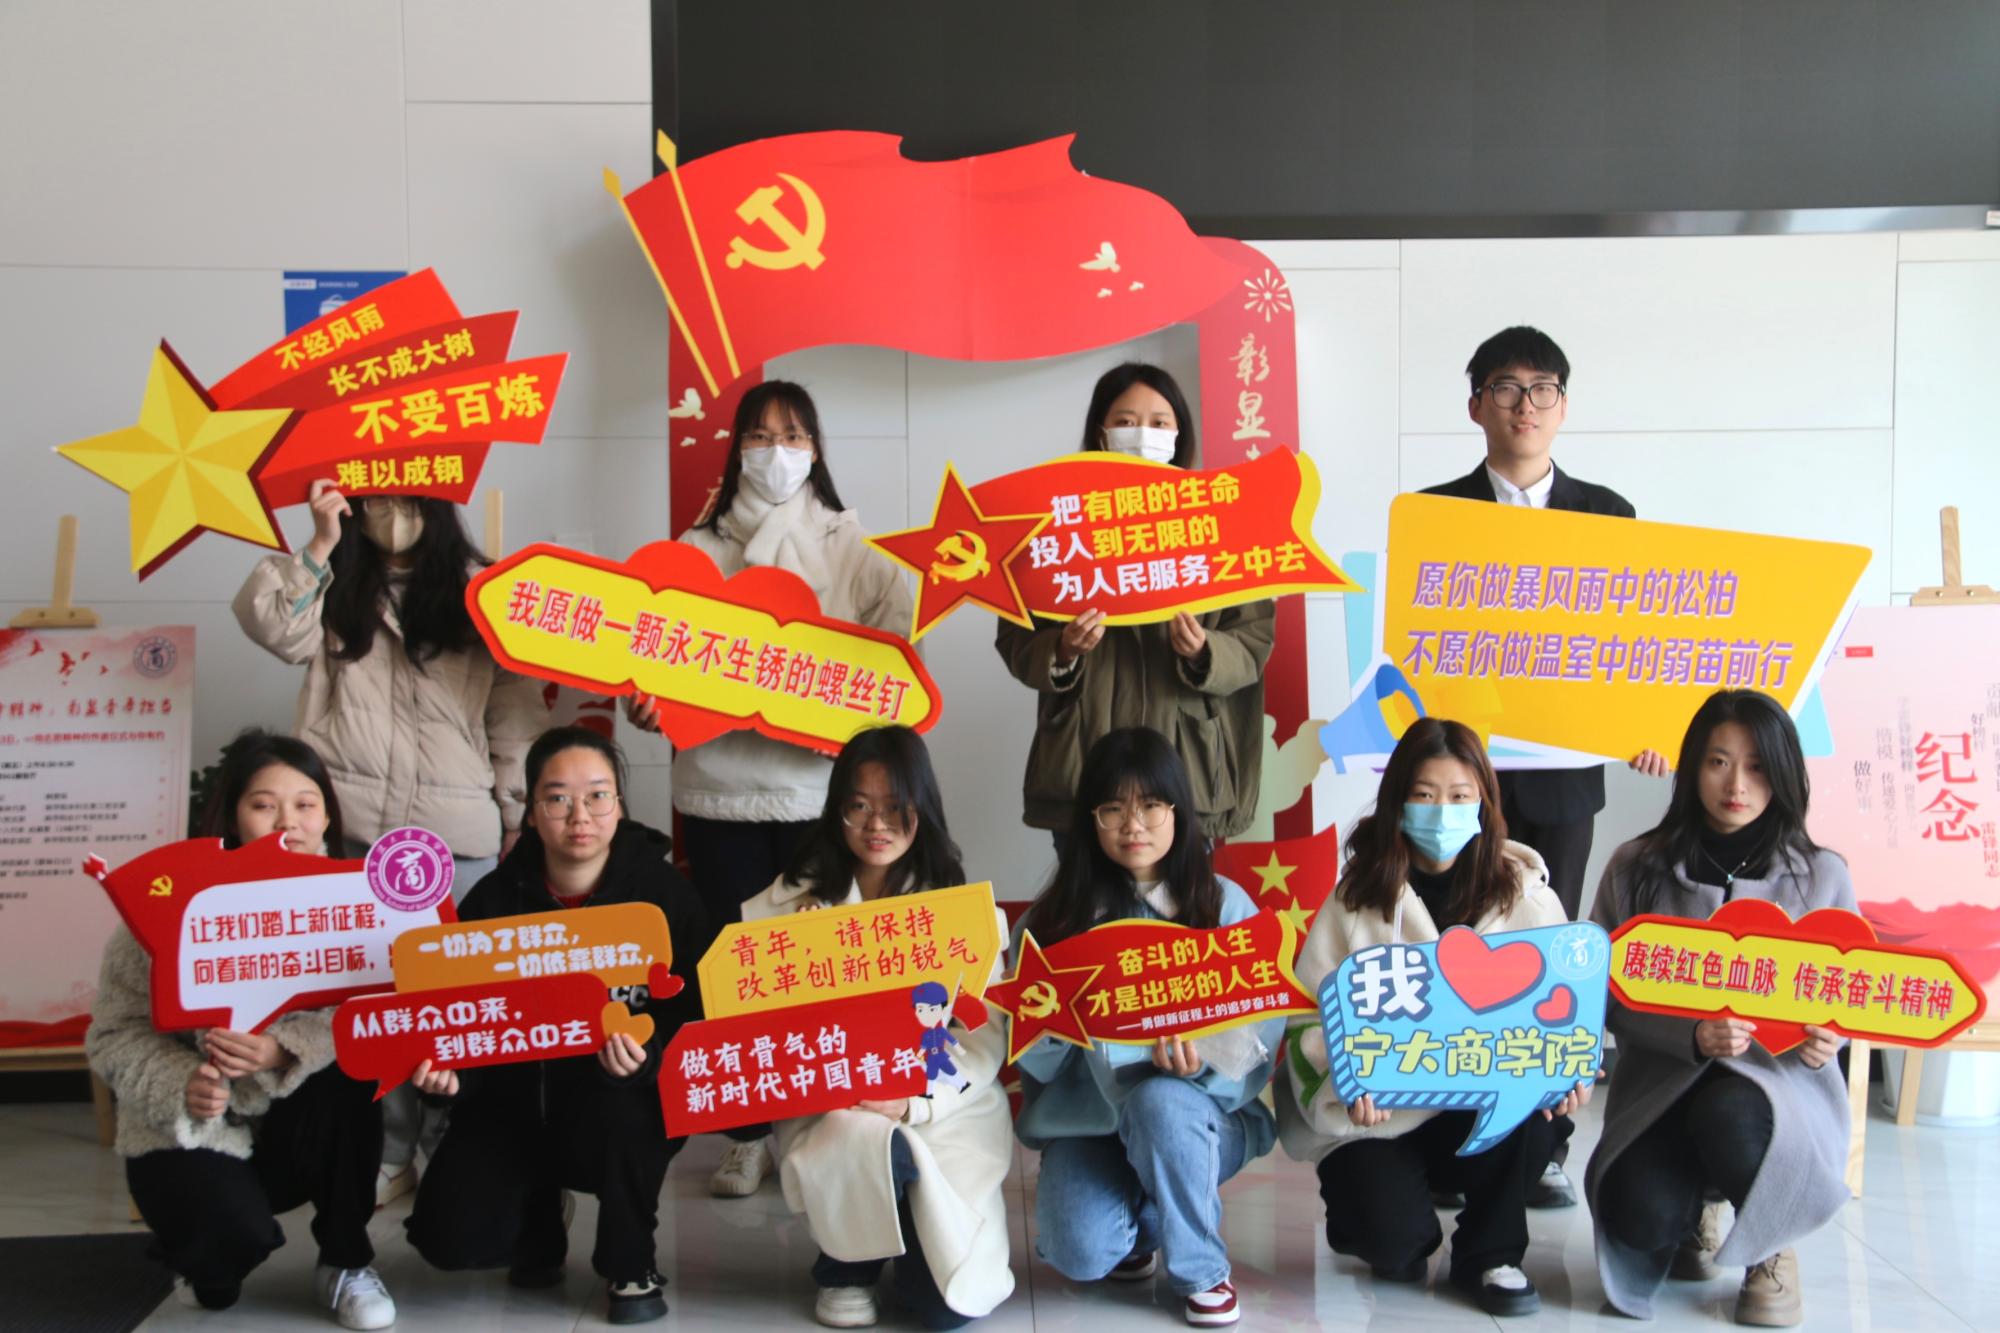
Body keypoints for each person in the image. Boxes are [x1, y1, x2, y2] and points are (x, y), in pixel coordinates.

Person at [627, 379, 914, 1198]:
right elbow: (648, 656)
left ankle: (822, 1121)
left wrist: (850, 714)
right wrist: (646, 705)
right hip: (719, 792)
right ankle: (748, 1133)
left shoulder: (854, 546)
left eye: (792, 436)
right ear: (736, 449)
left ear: (815, 450)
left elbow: (899, 651)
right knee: (733, 965)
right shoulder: (696, 546)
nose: (776, 452)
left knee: (824, 967)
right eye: (760, 436)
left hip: (821, 794)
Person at [234, 480, 547, 1202]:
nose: (393, 516)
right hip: (354, 827)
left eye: (409, 500)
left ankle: (456, 1147)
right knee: (370, 1000)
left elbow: (515, 712)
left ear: (437, 502)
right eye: (375, 500)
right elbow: (273, 627)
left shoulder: (482, 590)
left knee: (458, 999)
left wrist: (514, 814)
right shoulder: (332, 580)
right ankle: (391, 1148)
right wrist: (319, 542)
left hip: (455, 829)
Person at [1419, 326, 1641, 1208]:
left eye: (1542, 388)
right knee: (1449, 944)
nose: (1525, 405)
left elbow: (1635, 642)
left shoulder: (1609, 514)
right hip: (1459, 776)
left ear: (1563, 406)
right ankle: (1445, 1129)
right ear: (1476, 403)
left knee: (1548, 950)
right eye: (1506, 387)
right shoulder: (1433, 513)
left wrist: (1644, 727)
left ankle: (1542, 1139)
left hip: (1562, 774)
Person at [404, 727, 713, 1326]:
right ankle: (538, 1225)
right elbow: (455, 1021)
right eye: (557, 798)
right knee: (450, 1240)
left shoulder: (664, 896)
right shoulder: (492, 902)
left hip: (617, 1109)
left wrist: (648, 1060)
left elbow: (696, 1010)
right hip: (513, 1108)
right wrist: (449, 1079)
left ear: (619, 804)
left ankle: (630, 1262)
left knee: (627, 1113)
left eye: (597, 795)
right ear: (531, 810)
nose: (580, 816)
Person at [1275, 718, 1585, 1317]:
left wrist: (1567, 1071)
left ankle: (1491, 1255)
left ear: (1485, 804)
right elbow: (1309, 1017)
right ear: (1397, 802)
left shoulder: (1527, 898)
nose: (1442, 813)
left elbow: (1566, 1013)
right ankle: (1401, 1221)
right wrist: (1348, 1081)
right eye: (1424, 795)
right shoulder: (1354, 901)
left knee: (1524, 1105)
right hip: (1387, 1117)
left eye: (1460, 796)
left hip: (1487, 1116)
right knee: (1391, 1243)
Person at [86, 730, 395, 1329]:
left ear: (328, 816)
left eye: (305, 804)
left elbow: (370, 1015)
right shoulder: (169, 904)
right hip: (196, 1125)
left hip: (296, 1125)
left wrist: (284, 1050)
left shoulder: (356, 904)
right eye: (264, 805)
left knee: (351, 1069)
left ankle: (346, 1261)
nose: (287, 823)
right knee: (223, 1268)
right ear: (232, 815)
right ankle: (204, 1259)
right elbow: (113, 1033)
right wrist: (185, 1083)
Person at [1586, 690, 1854, 1327]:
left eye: (1757, 766)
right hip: (1661, 1088)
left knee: (1731, 1114)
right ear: (1691, 767)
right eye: (1718, 762)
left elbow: (1850, 992)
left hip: (1775, 1091)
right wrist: (1691, 1034)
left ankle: (1769, 1246)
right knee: (1637, 1215)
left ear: (1784, 773)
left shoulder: (1822, 874)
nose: (1737, 785)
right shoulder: (1636, 867)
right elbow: (1600, 994)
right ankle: (1689, 1215)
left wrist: (1830, 1038)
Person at [741, 726, 1013, 1329]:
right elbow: (759, 1035)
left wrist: (913, 1100)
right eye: (859, 806)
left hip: (942, 1108)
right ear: (836, 808)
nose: (876, 825)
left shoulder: (959, 910)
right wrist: (801, 962)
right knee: (862, 1141)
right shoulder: (786, 906)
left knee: (941, 1310)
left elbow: (980, 1041)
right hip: (836, 1106)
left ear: (922, 809)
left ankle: (911, 1237)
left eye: (895, 807)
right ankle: (846, 1267)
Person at [1013, 726, 1284, 1327]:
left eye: (1151, 805)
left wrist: (1205, 1065)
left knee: (1161, 1102)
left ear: (1178, 812)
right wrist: (1059, 1023)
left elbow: (1261, 1033)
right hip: (1090, 1125)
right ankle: (1145, 1224)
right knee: (1080, 1251)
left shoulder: (1225, 907)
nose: (1133, 825)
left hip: (1199, 1119)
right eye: (1113, 808)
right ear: (1090, 819)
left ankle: (1203, 1272)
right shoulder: (1052, 922)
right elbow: (1036, 1057)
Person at [996, 363, 1274, 848]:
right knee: (1085, 898)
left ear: (1179, 435)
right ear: (1100, 433)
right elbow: (1016, 637)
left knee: (1182, 898)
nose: (1143, 435)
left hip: (1186, 775)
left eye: (1159, 423)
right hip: (1082, 776)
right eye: (1126, 422)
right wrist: (1062, 650)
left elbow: (1254, 639)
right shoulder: (1054, 524)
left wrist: (1205, 652)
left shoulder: (1221, 524)